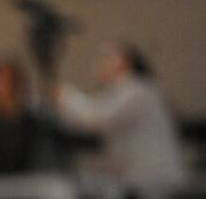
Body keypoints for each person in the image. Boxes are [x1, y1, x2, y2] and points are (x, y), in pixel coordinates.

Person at [55, 42, 186, 187]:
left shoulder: (137, 90)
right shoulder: (118, 93)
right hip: (139, 175)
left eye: (108, 59)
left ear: (126, 62)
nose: (101, 65)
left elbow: (97, 118)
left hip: (154, 175)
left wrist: (66, 96)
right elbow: (87, 117)